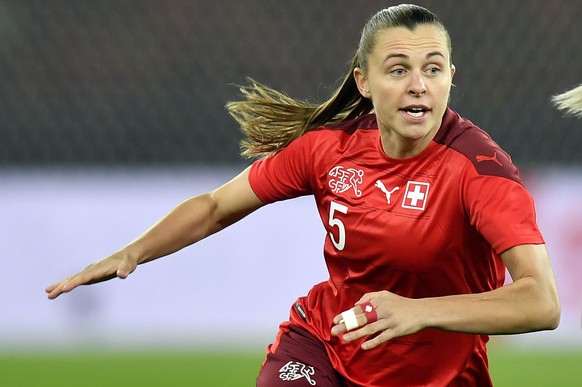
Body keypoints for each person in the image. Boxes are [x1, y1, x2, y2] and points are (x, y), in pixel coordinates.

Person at [46, 4, 560, 386]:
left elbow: (541, 302)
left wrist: (419, 311)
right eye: (398, 69)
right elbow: (214, 208)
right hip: (326, 348)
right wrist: (132, 251)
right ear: (364, 81)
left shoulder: (480, 169)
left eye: (432, 68)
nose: (418, 85)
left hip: (440, 375)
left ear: (451, 77)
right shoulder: (328, 151)